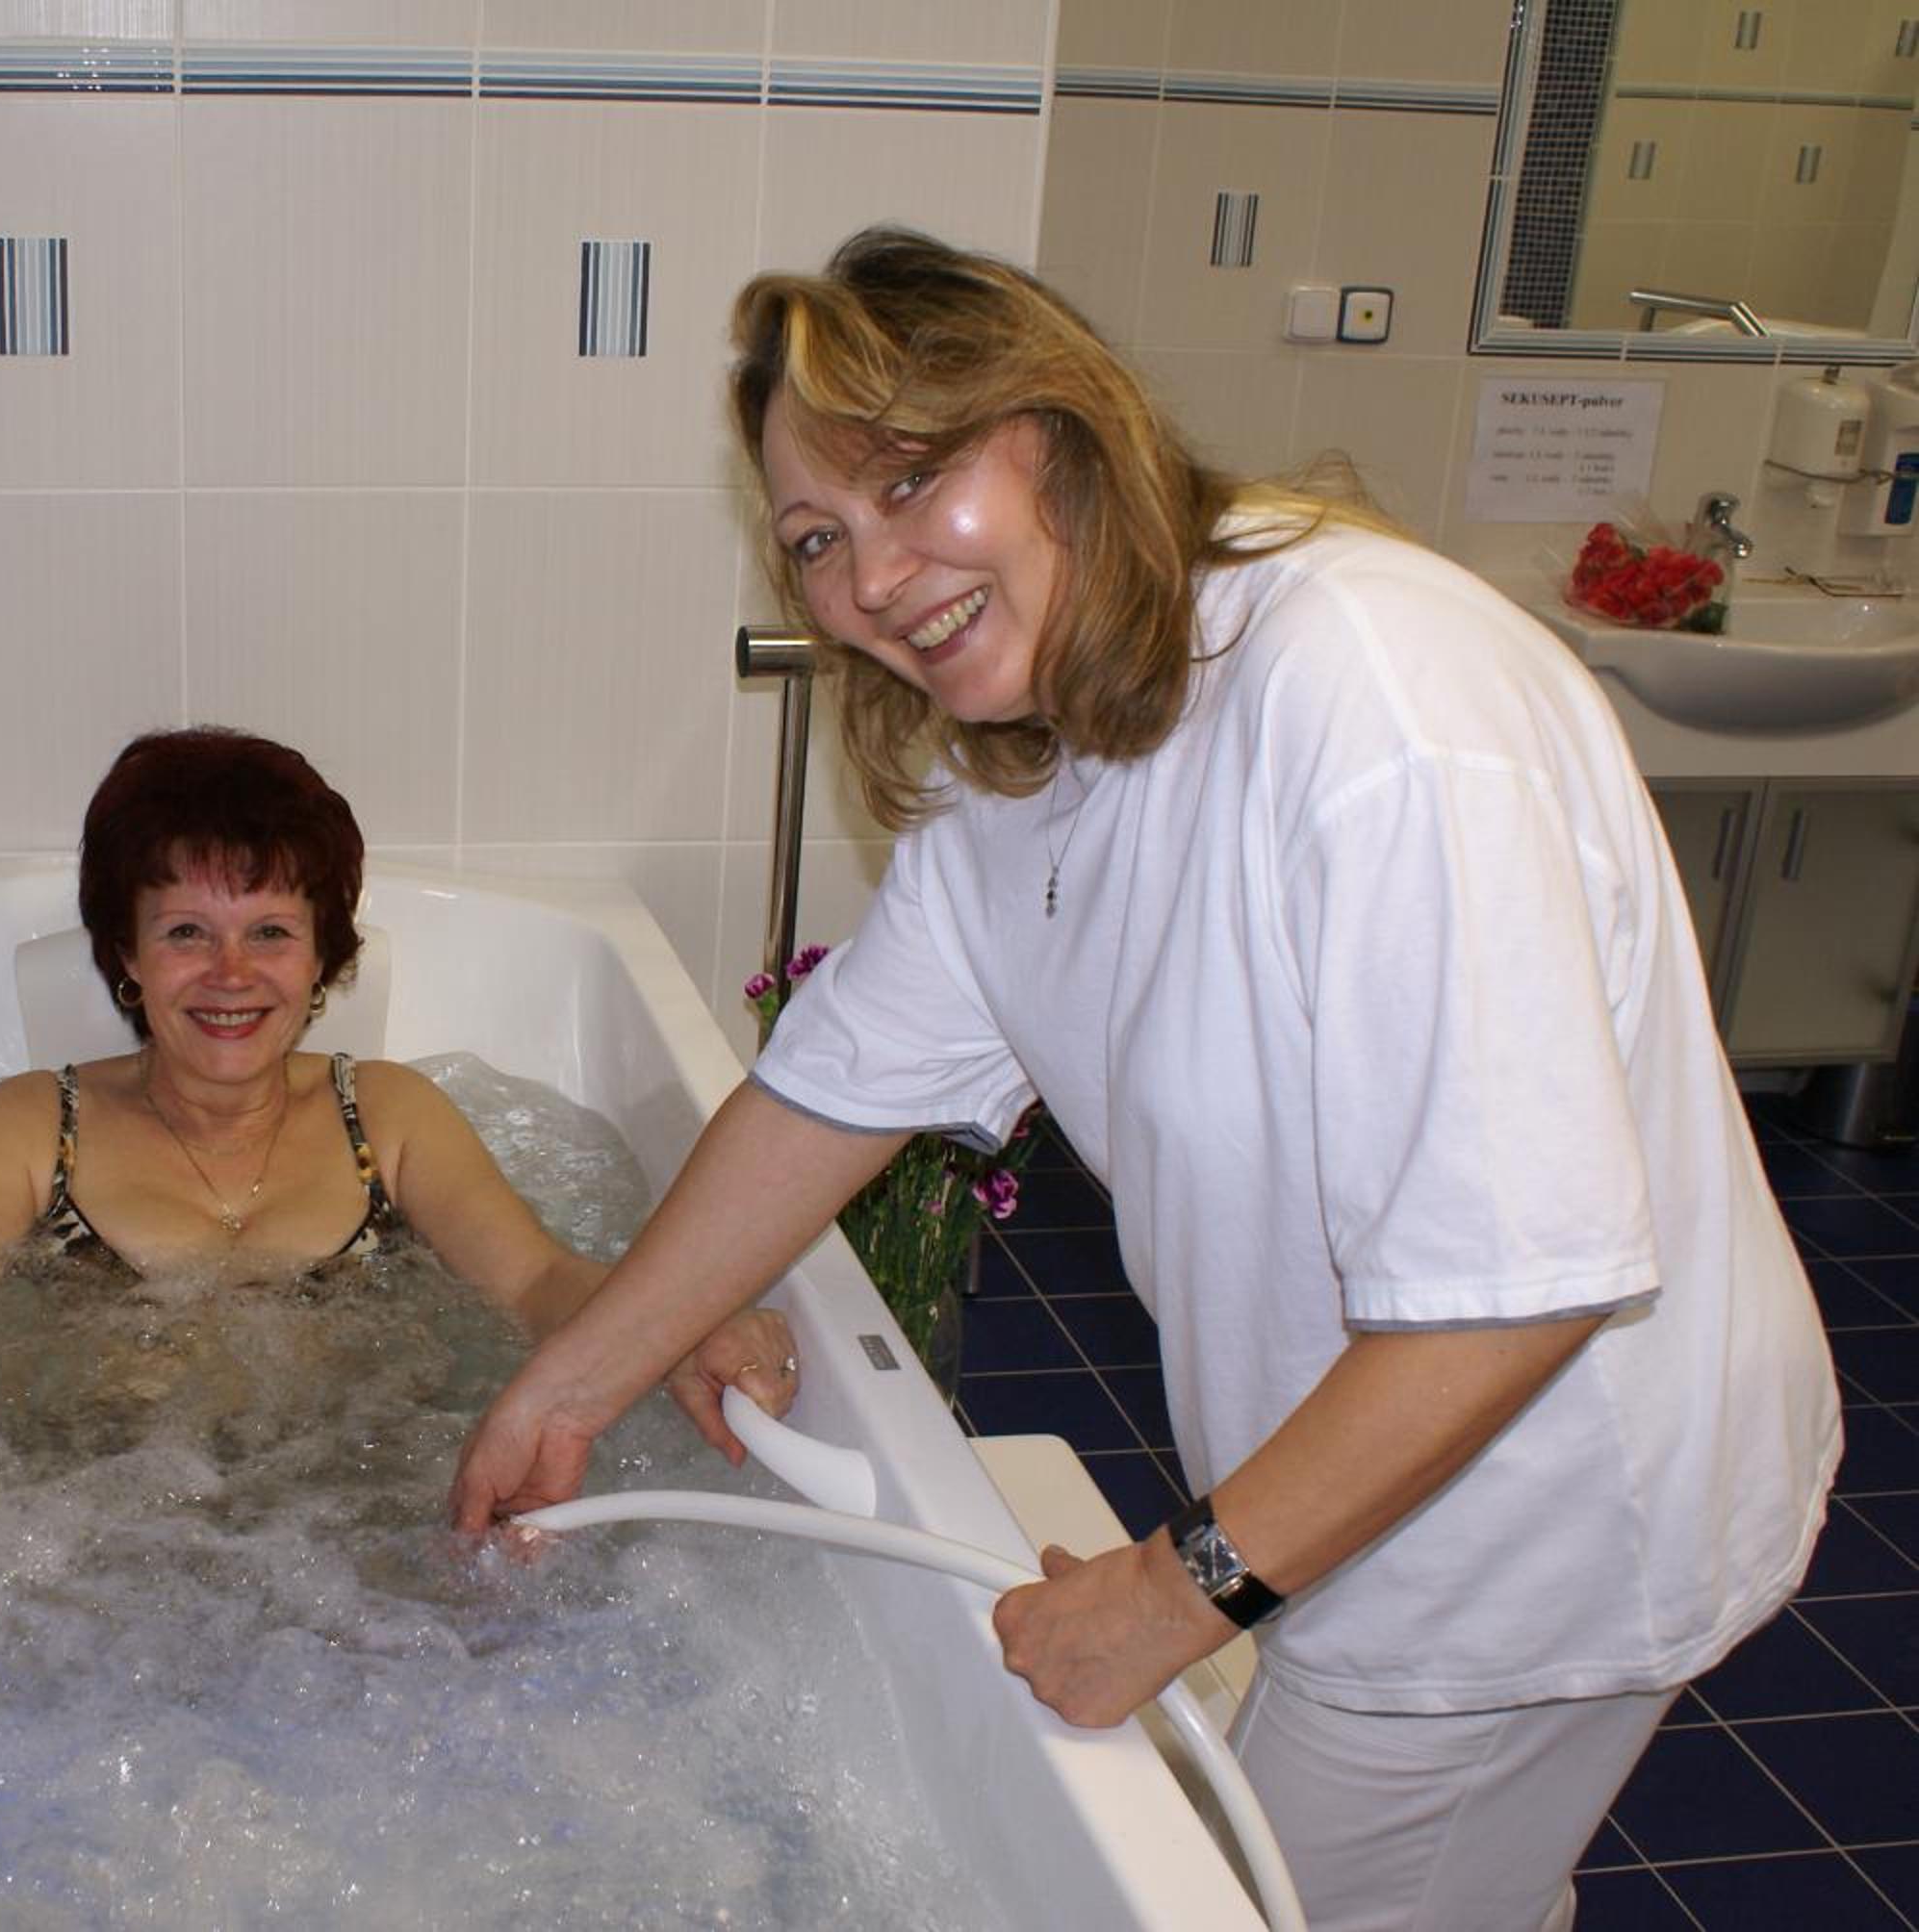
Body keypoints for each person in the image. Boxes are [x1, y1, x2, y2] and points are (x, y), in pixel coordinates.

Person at [448, 230, 1840, 1931]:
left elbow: (1516, 1291)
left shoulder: (1375, 697)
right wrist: (569, 1389)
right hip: (1375, 1487)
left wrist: (1171, 1597)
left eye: (911, 478)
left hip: (1527, 1533)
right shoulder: (1027, 761)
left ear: (1059, 427)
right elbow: (824, 1098)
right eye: (817, 538)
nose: (872, 574)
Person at [0, 726, 794, 1528]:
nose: (232, 974)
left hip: (363, 1520)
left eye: (272, 933)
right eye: (187, 932)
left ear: (324, 954)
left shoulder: (387, 1115)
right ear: (127, 956)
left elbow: (536, 1280)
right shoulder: (33, 1129)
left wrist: (680, 1320)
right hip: (87, 1530)